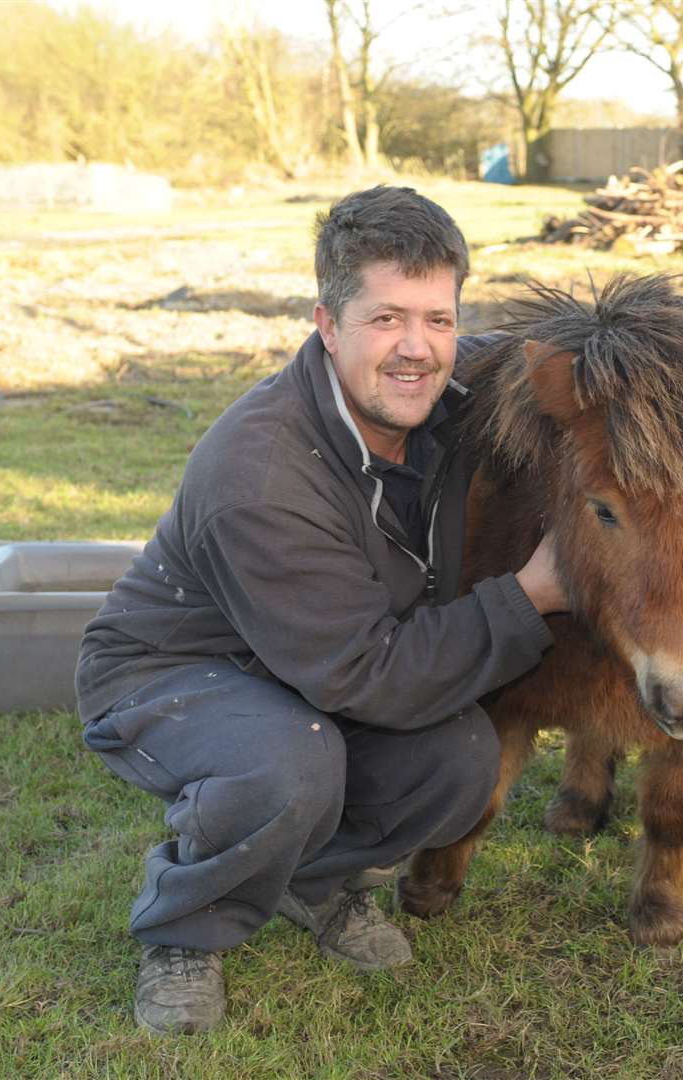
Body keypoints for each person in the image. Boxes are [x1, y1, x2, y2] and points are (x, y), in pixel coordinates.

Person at [75, 186, 568, 1035]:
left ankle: (311, 879)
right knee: (288, 765)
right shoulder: (260, 473)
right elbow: (366, 674)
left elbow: (565, 358)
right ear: (326, 323)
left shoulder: (442, 390)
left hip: (317, 656)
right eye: (385, 320)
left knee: (459, 758)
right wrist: (533, 595)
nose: (417, 349)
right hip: (179, 669)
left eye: (438, 319)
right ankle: (183, 930)